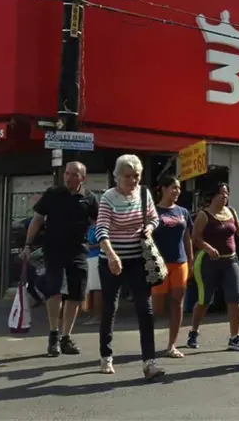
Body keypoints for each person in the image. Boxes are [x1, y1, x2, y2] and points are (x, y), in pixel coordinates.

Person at [96, 154, 164, 380]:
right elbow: (101, 230)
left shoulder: (144, 194)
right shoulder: (108, 197)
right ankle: (106, 355)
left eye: (136, 176)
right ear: (118, 177)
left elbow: (154, 218)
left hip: (137, 259)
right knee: (110, 307)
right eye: (128, 176)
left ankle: (149, 362)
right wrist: (112, 255)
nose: (133, 180)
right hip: (111, 259)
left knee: (145, 309)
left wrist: (149, 229)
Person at [20, 162, 98, 357]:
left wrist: (101, 243)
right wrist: (28, 244)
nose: (69, 178)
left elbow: (98, 223)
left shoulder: (90, 198)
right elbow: (37, 219)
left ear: (83, 178)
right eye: (67, 174)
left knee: (75, 294)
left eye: (74, 175)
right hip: (53, 249)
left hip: (78, 251)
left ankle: (66, 337)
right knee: (54, 290)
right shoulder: (53, 194)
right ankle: (53, 334)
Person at [187, 182, 239, 352]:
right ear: (213, 195)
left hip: (231, 261)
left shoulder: (231, 212)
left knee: (235, 298)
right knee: (205, 300)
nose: (225, 196)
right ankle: (193, 332)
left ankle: (234, 338)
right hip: (209, 263)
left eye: (227, 193)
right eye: (222, 193)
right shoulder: (204, 215)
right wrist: (208, 248)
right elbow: (196, 238)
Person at [151, 175, 194, 359]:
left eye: (178, 188)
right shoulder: (152, 211)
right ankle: (148, 343)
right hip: (158, 264)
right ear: (163, 188)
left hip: (180, 262)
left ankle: (172, 345)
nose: (177, 191)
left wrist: (191, 260)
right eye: (173, 188)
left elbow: (187, 237)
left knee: (177, 304)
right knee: (157, 308)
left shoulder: (183, 212)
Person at [83, 223, 102, 325]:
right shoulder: (90, 228)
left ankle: (98, 316)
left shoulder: (98, 227)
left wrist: (90, 246)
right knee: (92, 288)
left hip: (97, 257)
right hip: (90, 258)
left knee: (97, 288)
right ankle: (94, 314)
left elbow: (104, 242)